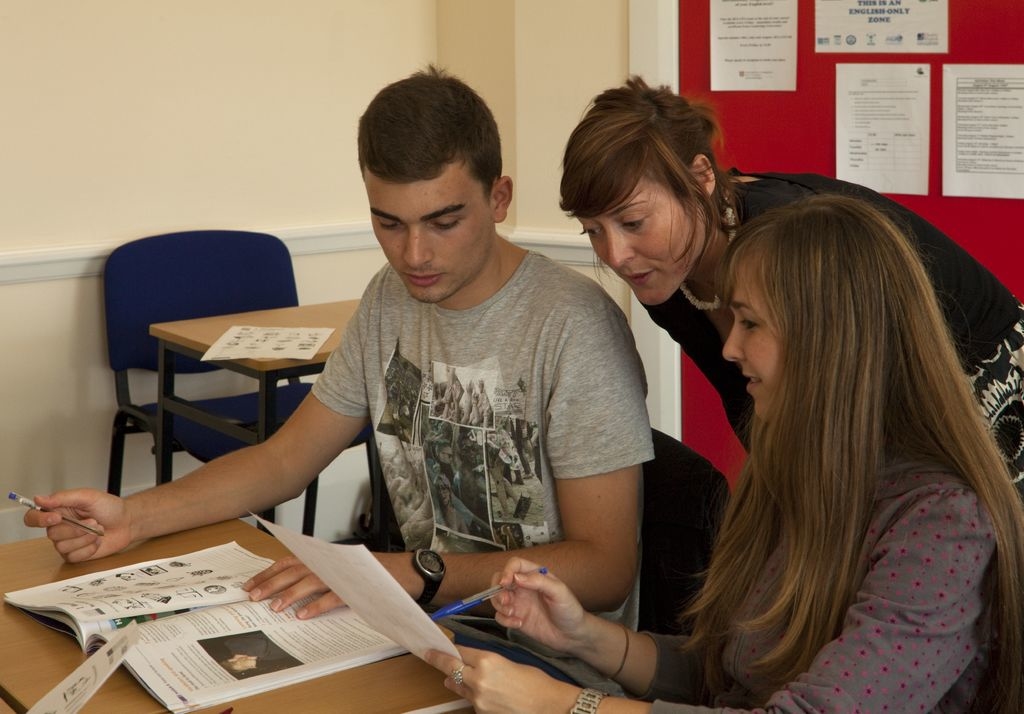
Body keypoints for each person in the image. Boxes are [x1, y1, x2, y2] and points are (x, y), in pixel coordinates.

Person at [25, 66, 654, 676]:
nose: (415, 254)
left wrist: (411, 571)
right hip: (423, 633)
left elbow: (604, 570)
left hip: (549, 662)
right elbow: (283, 461)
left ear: (500, 198)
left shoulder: (572, 324)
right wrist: (132, 517)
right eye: (388, 223)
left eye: (443, 222)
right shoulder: (389, 298)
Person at [425, 194, 1024, 713]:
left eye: (751, 324)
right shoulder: (791, 472)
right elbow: (725, 674)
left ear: (830, 346)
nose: (730, 348)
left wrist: (564, 703)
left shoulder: (944, 525)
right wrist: (584, 637)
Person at [560, 76, 1024, 492]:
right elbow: (751, 407)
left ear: (701, 178)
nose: (615, 255)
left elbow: (852, 413)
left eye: (633, 221)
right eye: (593, 230)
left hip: (982, 376)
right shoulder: (663, 268)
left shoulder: (785, 240)